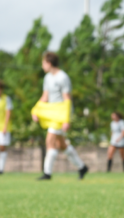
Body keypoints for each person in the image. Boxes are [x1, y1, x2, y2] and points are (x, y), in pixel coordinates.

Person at [33, 51, 88, 181]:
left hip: (61, 114)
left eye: (43, 62)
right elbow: (45, 97)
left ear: (49, 63)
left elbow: (67, 99)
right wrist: (35, 110)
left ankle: (47, 173)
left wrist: (66, 119)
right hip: (52, 113)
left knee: (49, 141)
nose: (42, 66)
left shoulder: (63, 77)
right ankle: (82, 167)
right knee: (61, 144)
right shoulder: (47, 78)